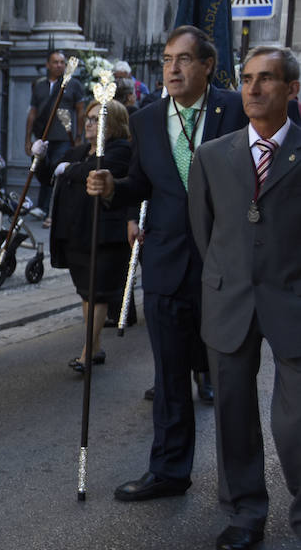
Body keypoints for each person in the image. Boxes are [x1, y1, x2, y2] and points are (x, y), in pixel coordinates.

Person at [86, 25, 247, 503]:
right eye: (165, 60)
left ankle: (240, 489)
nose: (172, 69)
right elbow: (143, 182)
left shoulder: (236, 110)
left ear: (208, 66)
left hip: (227, 269)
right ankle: (169, 471)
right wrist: (114, 188)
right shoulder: (148, 117)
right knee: (170, 378)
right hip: (165, 266)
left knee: (231, 384)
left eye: (183, 60)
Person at [188, 45, 301, 550]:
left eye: (267, 79)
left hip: (293, 302)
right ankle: (246, 513)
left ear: (292, 89)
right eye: (247, 79)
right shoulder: (212, 156)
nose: (252, 90)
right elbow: (204, 231)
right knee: (233, 415)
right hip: (228, 301)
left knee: (295, 423)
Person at [36, 100, 132, 372]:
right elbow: (53, 176)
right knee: (86, 293)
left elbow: (92, 171)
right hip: (77, 232)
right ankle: (97, 346)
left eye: (96, 119)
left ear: (113, 122)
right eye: (88, 118)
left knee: (98, 292)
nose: (89, 123)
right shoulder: (79, 150)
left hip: (104, 234)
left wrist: (68, 168)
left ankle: (87, 352)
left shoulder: (121, 150)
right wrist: (41, 159)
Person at [25, 50, 86, 225]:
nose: (59, 65)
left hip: (63, 136)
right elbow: (32, 113)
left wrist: (79, 135)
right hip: (42, 135)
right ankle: (43, 207)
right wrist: (28, 138)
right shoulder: (39, 85)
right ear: (48, 65)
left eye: (62, 62)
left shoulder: (73, 85)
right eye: (55, 62)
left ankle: (52, 211)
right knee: (42, 169)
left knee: (57, 171)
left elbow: (81, 111)